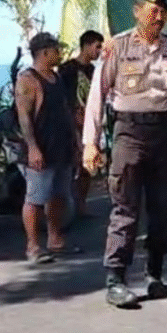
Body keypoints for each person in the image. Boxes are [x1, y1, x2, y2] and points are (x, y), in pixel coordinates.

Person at [81, 0, 167, 309]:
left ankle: (155, 274)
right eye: (151, 12)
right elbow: (97, 96)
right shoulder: (119, 47)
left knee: (161, 209)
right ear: (137, 11)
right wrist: (90, 144)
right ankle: (116, 280)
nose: (157, 18)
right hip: (129, 132)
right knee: (125, 208)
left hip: (164, 133)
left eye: (162, 14)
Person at [15, 32, 80, 263]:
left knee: (59, 195)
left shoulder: (56, 77)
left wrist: (76, 142)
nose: (59, 54)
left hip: (61, 147)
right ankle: (33, 247)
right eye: (56, 50)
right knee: (35, 197)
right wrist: (33, 148)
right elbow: (24, 117)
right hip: (40, 149)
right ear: (44, 52)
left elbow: (65, 111)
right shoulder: (28, 80)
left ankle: (55, 239)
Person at [58, 30, 105, 217]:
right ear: (86, 45)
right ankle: (66, 205)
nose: (99, 51)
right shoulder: (67, 69)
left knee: (87, 165)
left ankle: (81, 204)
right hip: (71, 123)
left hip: (89, 121)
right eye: (97, 46)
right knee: (71, 164)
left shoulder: (93, 70)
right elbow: (63, 98)